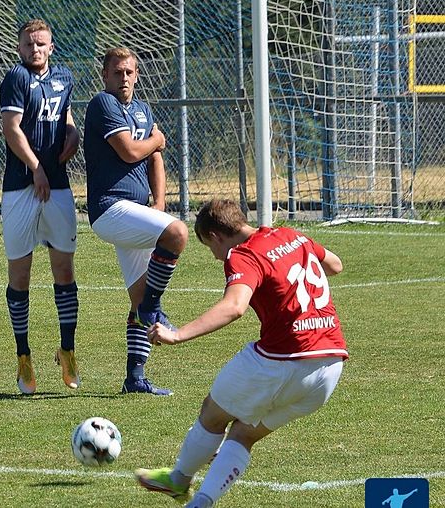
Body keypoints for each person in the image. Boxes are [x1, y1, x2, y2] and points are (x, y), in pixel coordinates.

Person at [135, 199, 348, 508]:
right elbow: (335, 265)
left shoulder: (243, 255)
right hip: (329, 367)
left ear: (215, 236)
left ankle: (179, 480)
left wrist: (177, 334)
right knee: (243, 434)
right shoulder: (291, 235)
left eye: (211, 248)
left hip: (283, 360)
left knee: (213, 413)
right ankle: (200, 502)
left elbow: (234, 307)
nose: (216, 256)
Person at [82, 47, 187, 395]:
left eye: (128, 72)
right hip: (110, 208)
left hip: (138, 211)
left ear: (137, 75)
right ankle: (153, 309)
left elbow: (155, 160)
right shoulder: (102, 104)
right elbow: (130, 151)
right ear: (105, 76)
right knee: (176, 232)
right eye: (116, 72)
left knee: (138, 299)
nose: (123, 77)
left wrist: (158, 203)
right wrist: (157, 139)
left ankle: (135, 378)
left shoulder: (142, 109)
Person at [0, 18, 81, 395]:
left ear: (52, 47)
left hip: (58, 186)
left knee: (64, 270)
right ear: (19, 48)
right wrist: (37, 169)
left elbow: (64, 115)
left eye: (41, 44)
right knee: (21, 276)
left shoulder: (64, 77)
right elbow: (12, 128)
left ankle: (67, 349)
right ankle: (23, 355)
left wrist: (73, 133)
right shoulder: (16, 78)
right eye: (29, 44)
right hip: (22, 187)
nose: (35, 50)